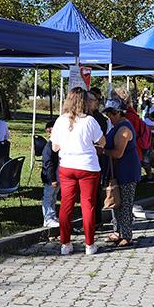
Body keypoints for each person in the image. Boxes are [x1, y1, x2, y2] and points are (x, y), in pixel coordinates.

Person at [51, 87, 106, 255]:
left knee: (66, 205)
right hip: (88, 167)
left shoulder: (60, 120)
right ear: (84, 101)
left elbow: (54, 147)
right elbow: (102, 142)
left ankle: (65, 244)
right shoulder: (90, 121)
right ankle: (89, 244)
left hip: (67, 166)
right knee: (88, 205)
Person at [102, 99, 141, 247]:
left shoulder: (124, 129)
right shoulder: (116, 126)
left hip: (127, 171)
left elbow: (118, 153)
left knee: (125, 204)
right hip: (117, 171)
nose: (109, 118)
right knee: (116, 201)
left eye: (111, 114)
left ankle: (127, 235)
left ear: (119, 113)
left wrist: (103, 151)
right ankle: (117, 231)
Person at [88, 87, 109, 231]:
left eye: (96, 100)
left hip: (93, 160)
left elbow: (101, 142)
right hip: (88, 161)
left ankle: (95, 221)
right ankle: (95, 221)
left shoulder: (97, 119)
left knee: (92, 194)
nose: (96, 103)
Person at [41, 119, 60, 228]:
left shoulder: (56, 145)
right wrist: (52, 179)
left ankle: (52, 216)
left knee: (53, 197)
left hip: (56, 176)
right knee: (48, 197)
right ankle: (48, 217)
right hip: (50, 177)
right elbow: (48, 164)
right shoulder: (49, 147)